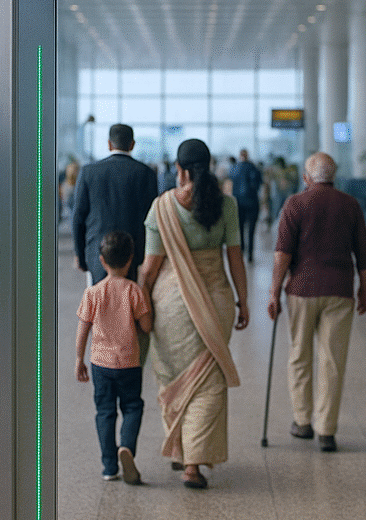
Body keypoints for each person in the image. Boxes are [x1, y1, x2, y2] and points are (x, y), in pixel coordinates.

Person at [137, 138, 250, 489]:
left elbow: (150, 268)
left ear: (181, 169)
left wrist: (141, 303)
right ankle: (193, 464)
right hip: (216, 301)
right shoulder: (227, 205)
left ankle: (182, 452)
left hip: (170, 303)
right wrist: (243, 302)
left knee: (174, 377)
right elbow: (235, 260)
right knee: (208, 380)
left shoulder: (162, 208)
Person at [267, 152, 366, 452]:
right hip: (339, 292)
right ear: (334, 176)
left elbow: (282, 255)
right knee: (332, 361)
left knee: (299, 355)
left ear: (306, 177)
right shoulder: (349, 205)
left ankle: (302, 422)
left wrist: (274, 292)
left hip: (301, 291)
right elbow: (363, 255)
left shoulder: (295, 204)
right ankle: (326, 431)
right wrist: (363, 290)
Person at [75, 231, 153, 484]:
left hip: (100, 364)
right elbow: (147, 326)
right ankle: (127, 447)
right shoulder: (134, 290)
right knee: (132, 407)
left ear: (101, 260)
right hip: (130, 362)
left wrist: (79, 359)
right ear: (130, 260)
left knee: (105, 413)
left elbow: (83, 327)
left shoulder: (93, 293)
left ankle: (109, 467)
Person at [72, 123, 158, 284]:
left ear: (109, 144)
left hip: (97, 253)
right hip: (134, 255)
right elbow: (152, 219)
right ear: (132, 144)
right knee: (130, 304)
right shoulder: (146, 173)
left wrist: (80, 255)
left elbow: (78, 217)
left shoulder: (88, 172)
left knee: (98, 302)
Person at [230, 148, 262, 262]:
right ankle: (250, 254)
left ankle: (242, 250)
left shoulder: (234, 168)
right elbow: (258, 184)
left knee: (240, 229)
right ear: (247, 155)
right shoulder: (253, 168)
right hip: (252, 202)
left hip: (238, 203)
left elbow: (231, 183)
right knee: (251, 230)